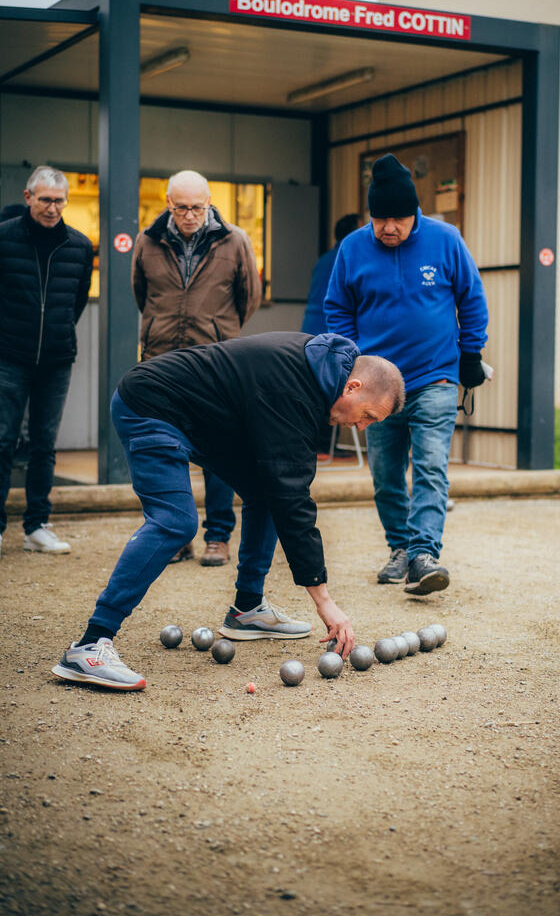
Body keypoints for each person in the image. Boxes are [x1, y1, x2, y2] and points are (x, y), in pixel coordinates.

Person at [51, 332, 404, 690]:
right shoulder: (295, 386)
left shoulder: (318, 375)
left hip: (202, 418)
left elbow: (286, 485)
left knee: (266, 491)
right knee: (175, 522)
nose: (361, 427)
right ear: (353, 387)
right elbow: (293, 499)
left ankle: (246, 610)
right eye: (368, 416)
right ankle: (90, 644)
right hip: (150, 404)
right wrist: (323, 601)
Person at [325, 153, 489, 596]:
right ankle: (399, 547)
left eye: (398, 218)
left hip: (434, 376)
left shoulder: (445, 239)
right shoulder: (353, 247)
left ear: (415, 213)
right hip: (377, 386)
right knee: (385, 473)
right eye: (380, 219)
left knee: (432, 466)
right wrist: (349, 362)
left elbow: (472, 298)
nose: (388, 228)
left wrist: (470, 354)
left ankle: (423, 555)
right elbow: (337, 308)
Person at [132, 170, 262, 568]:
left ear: (209, 204)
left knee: (219, 451)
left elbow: (249, 299)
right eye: (182, 207)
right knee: (165, 450)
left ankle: (218, 536)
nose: (190, 215)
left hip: (215, 364)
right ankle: (174, 535)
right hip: (162, 361)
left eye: (198, 208)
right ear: (168, 204)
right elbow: (141, 292)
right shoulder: (148, 241)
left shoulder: (235, 240)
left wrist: (221, 332)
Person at [0, 167, 93, 559]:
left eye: (59, 200)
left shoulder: (80, 245)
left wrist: (52, 333)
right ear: (28, 197)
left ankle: (36, 526)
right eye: (45, 200)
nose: (52, 208)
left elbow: (76, 301)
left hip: (55, 360)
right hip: (8, 357)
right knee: (2, 440)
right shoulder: (4, 239)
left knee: (44, 445)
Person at [301, 213, 360, 335]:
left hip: (310, 331)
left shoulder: (324, 260)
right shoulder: (351, 260)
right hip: (330, 336)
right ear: (354, 236)